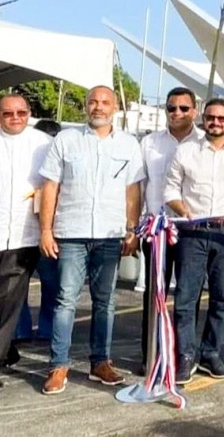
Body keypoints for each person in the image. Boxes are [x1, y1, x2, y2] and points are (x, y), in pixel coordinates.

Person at [39, 86, 144, 395]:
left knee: (106, 302)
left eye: (105, 102)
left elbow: (132, 192)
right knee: (65, 301)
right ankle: (58, 365)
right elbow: (50, 186)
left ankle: (100, 363)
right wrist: (46, 230)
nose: (99, 107)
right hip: (71, 233)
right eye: (93, 102)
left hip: (111, 235)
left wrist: (132, 229)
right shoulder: (66, 140)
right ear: (86, 106)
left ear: (115, 108)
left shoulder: (129, 145)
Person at [164, 97, 224, 385]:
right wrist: (183, 210)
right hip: (192, 232)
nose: (216, 122)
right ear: (203, 119)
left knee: (222, 299)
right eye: (211, 117)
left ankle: (211, 353)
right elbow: (170, 189)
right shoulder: (186, 151)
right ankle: (185, 356)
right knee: (185, 299)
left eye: (222, 118)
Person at [138, 87, 204, 372]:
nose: (176, 113)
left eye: (183, 108)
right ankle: (151, 355)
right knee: (154, 295)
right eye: (171, 108)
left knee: (188, 297)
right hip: (156, 230)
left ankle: (182, 356)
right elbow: (140, 186)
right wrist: (136, 225)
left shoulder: (205, 142)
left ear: (195, 111)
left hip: (191, 231)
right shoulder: (149, 142)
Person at [0, 95, 53, 387]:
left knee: (8, 301)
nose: (15, 117)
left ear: (29, 113)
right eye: (8, 113)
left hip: (23, 236)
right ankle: (7, 349)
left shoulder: (43, 144)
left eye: (21, 112)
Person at [14, 119, 61, 344]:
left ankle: (20, 328)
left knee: (17, 286)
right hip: (48, 232)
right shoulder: (56, 160)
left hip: (21, 233)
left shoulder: (24, 159)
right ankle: (47, 328)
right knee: (51, 285)